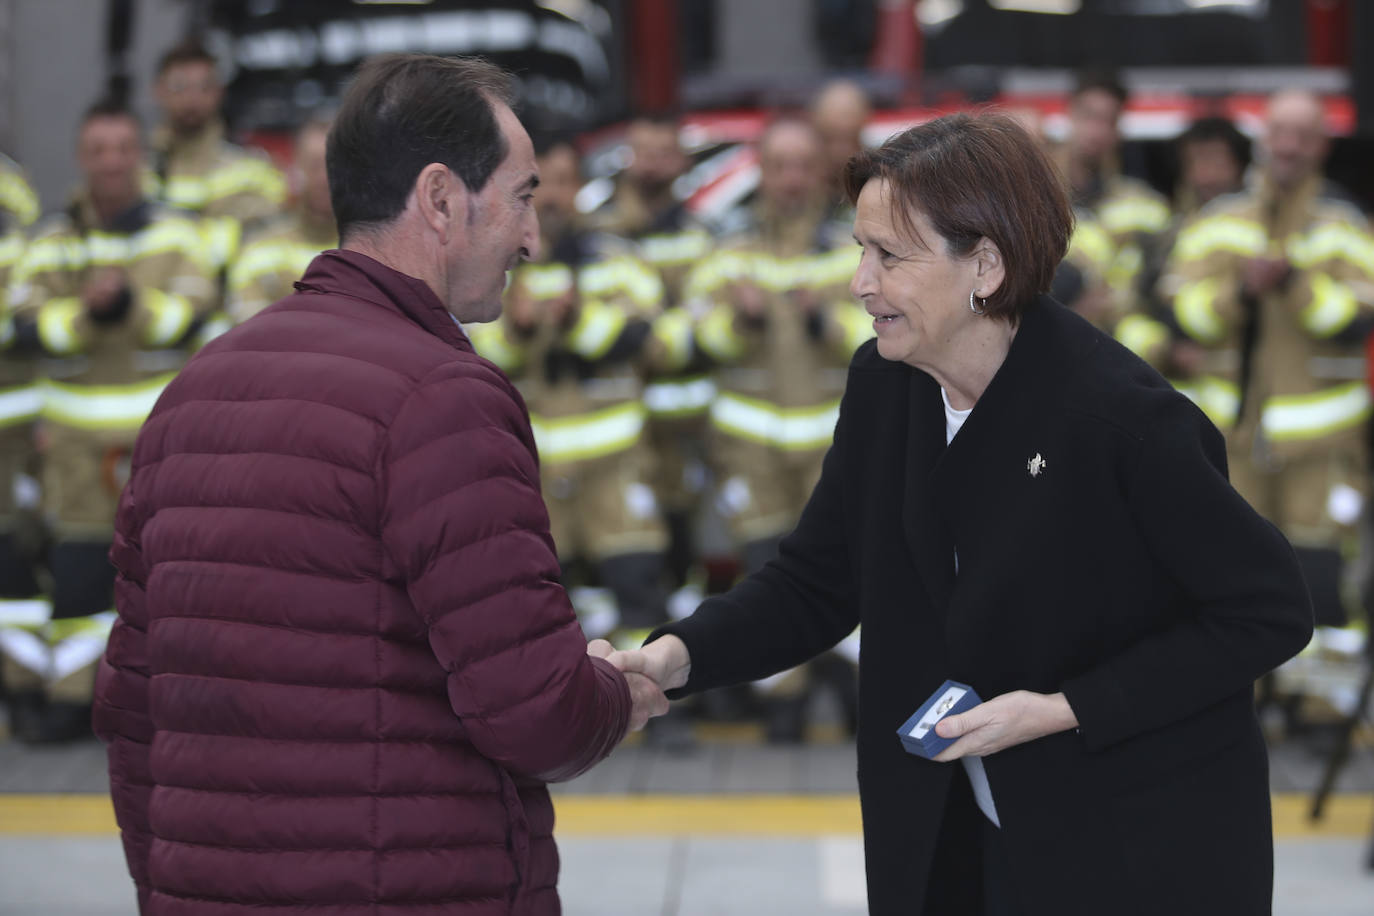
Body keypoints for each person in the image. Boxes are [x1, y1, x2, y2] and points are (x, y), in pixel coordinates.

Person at [616, 113, 1313, 914]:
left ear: (984, 265)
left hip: (1129, 843)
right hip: (946, 827)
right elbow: (818, 579)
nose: (860, 283)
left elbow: (1267, 610)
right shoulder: (888, 386)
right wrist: (676, 658)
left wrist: (1067, 709)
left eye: (889, 256)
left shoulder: (1121, 419)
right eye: (859, 251)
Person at [92, 54, 665, 915]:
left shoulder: (193, 390)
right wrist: (616, 695)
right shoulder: (443, 397)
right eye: (520, 196)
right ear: (439, 200)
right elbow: (533, 712)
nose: (531, 236)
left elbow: (132, 709)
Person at [3, 98, 215, 743]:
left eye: (123, 149)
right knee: (77, 582)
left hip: (161, 445)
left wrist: (126, 302)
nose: (112, 163)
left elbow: (191, 314)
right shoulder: (53, 240)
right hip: (70, 454)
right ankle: (74, 702)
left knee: (174, 579)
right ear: (81, 158)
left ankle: (176, 705)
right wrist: (87, 316)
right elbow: (29, 324)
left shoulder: (177, 233)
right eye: (99, 150)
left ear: (140, 156)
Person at [684, 115, 871, 742]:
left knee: (846, 570)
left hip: (832, 446)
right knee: (764, 572)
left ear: (819, 171)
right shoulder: (726, 249)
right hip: (751, 451)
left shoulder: (852, 247)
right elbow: (691, 340)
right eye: (778, 165)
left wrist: (828, 323)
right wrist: (736, 322)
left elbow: (886, 334)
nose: (791, 179)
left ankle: (847, 692)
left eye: (802, 165)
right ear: (759, 172)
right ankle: (782, 701)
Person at [1161, 91, 1374, 628]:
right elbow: (1183, 316)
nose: (1290, 146)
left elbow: (1357, 321)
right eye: (1281, 132)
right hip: (1230, 447)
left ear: (1323, 145)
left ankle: (1321, 708)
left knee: (1323, 586)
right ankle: (1249, 704)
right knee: (1231, 584)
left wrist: (1296, 284)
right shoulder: (1216, 222)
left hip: (1321, 450)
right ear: (1264, 139)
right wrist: (1241, 292)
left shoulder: (1347, 226)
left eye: (1304, 135)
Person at [1056, 70, 1171, 329]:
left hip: (1117, 344)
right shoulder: (1034, 196)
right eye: (1089, 116)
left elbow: (1160, 281)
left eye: (1109, 121)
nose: (1097, 131)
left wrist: (1112, 304)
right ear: (1069, 115)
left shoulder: (1146, 204)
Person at [226, 117, 337, 322]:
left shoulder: (372, 250)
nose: (324, 178)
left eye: (334, 165)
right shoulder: (259, 248)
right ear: (294, 171)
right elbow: (250, 329)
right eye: (314, 165)